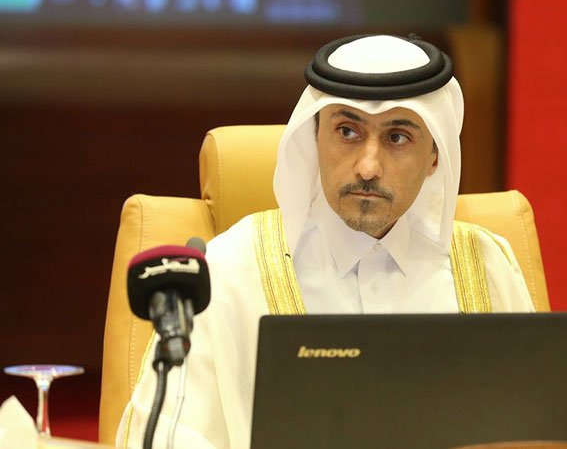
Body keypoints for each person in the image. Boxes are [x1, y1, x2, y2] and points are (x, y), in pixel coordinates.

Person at [116, 34, 535, 449]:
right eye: (347, 131)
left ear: (434, 157)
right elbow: (166, 437)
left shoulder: (486, 269)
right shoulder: (227, 274)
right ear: (314, 139)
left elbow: (536, 430)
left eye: (397, 137)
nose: (368, 167)